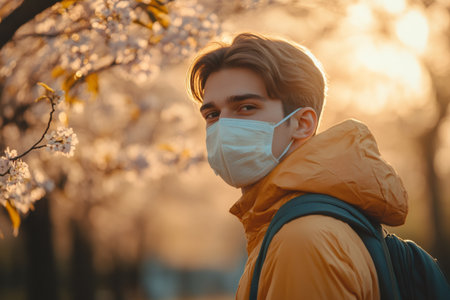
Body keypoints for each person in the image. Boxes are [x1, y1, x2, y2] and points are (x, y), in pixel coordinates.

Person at [187, 32, 408, 299]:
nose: (224, 127)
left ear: (302, 124)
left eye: (246, 107)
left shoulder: (302, 240)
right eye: (213, 114)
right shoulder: (291, 226)